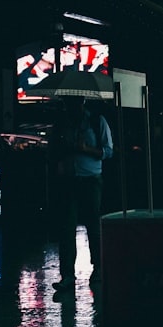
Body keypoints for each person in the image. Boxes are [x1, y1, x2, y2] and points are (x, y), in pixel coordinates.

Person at [50, 96, 113, 292]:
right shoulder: (62, 124)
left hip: (90, 180)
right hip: (69, 180)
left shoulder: (97, 121)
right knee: (66, 228)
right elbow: (55, 149)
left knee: (93, 226)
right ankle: (67, 275)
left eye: (73, 103)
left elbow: (108, 151)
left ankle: (98, 269)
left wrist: (85, 149)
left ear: (82, 102)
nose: (70, 107)